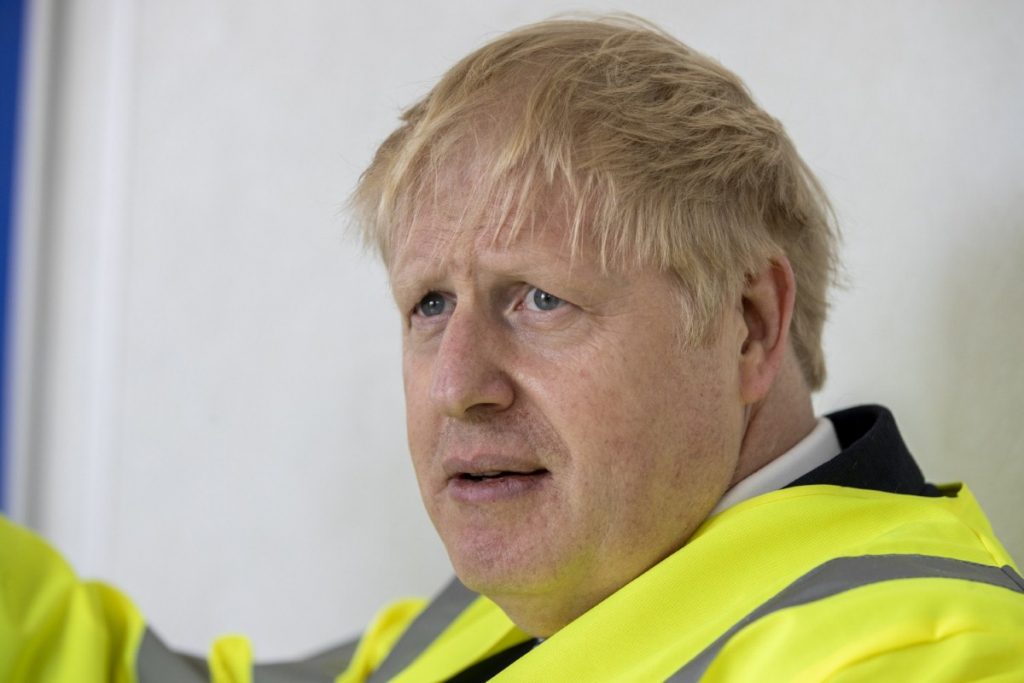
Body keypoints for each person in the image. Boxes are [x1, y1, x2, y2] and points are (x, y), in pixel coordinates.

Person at [3, 15, 1023, 683]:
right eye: (430, 303)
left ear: (748, 323)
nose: (456, 386)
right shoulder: (503, 610)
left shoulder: (921, 652)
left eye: (538, 298)